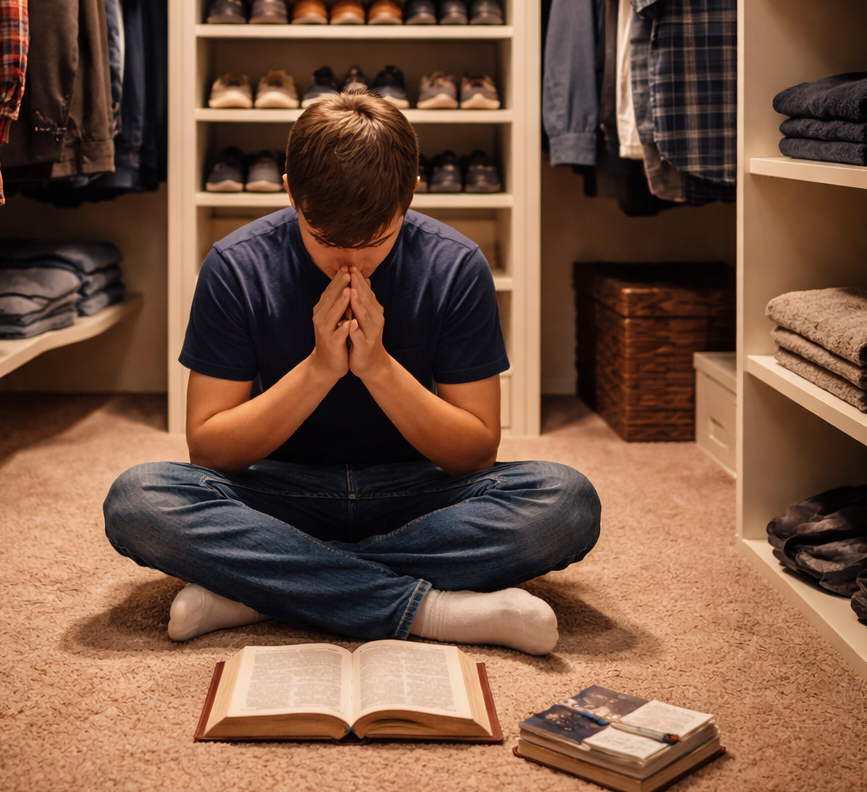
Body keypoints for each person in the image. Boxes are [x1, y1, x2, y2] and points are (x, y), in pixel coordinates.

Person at [104, 93, 600, 653]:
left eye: (375, 242)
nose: (350, 264)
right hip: (279, 492)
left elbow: (475, 452)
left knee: (566, 501)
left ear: (412, 191)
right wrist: (318, 369)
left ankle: (259, 590)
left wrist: (379, 368)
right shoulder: (236, 265)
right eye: (326, 240)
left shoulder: (455, 265)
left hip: (416, 494)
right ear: (291, 192)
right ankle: (432, 611)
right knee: (138, 500)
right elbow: (211, 451)